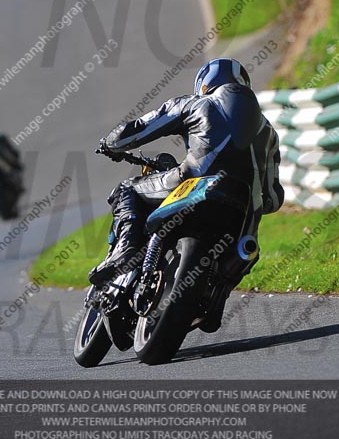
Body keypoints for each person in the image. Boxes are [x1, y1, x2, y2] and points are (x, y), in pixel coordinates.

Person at [89, 58, 284, 293]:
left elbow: (138, 130)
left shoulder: (194, 104)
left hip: (194, 182)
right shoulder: (270, 133)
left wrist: (110, 144)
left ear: (204, 84)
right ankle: (213, 296)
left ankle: (125, 249)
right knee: (245, 256)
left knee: (127, 188)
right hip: (243, 216)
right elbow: (273, 200)